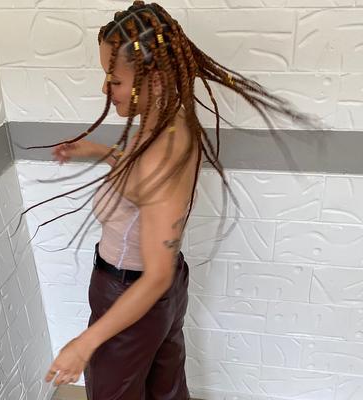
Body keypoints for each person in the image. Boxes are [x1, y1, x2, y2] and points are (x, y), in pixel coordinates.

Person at [24, 1, 320, 398]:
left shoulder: (159, 152)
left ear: (156, 78)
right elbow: (141, 186)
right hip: (160, 294)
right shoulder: (172, 123)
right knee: (166, 389)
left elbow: (156, 274)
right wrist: (99, 151)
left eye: (114, 79)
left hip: (133, 295)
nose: (105, 89)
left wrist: (85, 343)